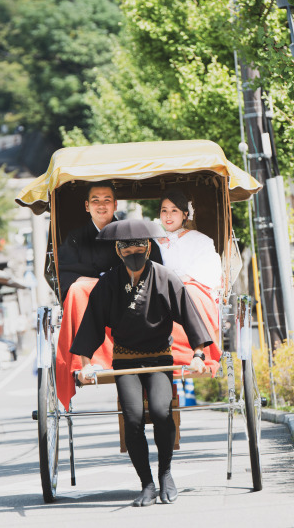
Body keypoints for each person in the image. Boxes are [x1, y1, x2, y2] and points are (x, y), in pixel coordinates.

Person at [72, 219, 212, 507]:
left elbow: (189, 317)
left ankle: (165, 474)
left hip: (160, 357)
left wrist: (198, 355)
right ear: (118, 250)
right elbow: (91, 324)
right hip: (126, 360)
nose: (133, 252)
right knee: (133, 418)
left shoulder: (165, 277)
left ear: (148, 247)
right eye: (126, 248)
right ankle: (146, 483)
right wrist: (85, 364)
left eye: (138, 247)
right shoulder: (109, 282)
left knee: (161, 411)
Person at [55, 181, 162, 410]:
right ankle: (90, 361)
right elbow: (66, 275)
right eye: (95, 201)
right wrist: (101, 283)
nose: (101, 206)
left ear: (115, 204)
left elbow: (155, 266)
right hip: (96, 305)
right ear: (87, 206)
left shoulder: (133, 232)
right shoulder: (75, 238)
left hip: (132, 303)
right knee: (78, 290)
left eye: (107, 200)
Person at [154, 189, 222, 372]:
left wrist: (181, 281)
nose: (168, 216)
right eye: (164, 210)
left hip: (192, 288)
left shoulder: (201, 240)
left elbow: (209, 270)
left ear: (185, 214)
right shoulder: (153, 242)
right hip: (161, 289)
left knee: (186, 293)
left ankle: (194, 354)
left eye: (174, 210)